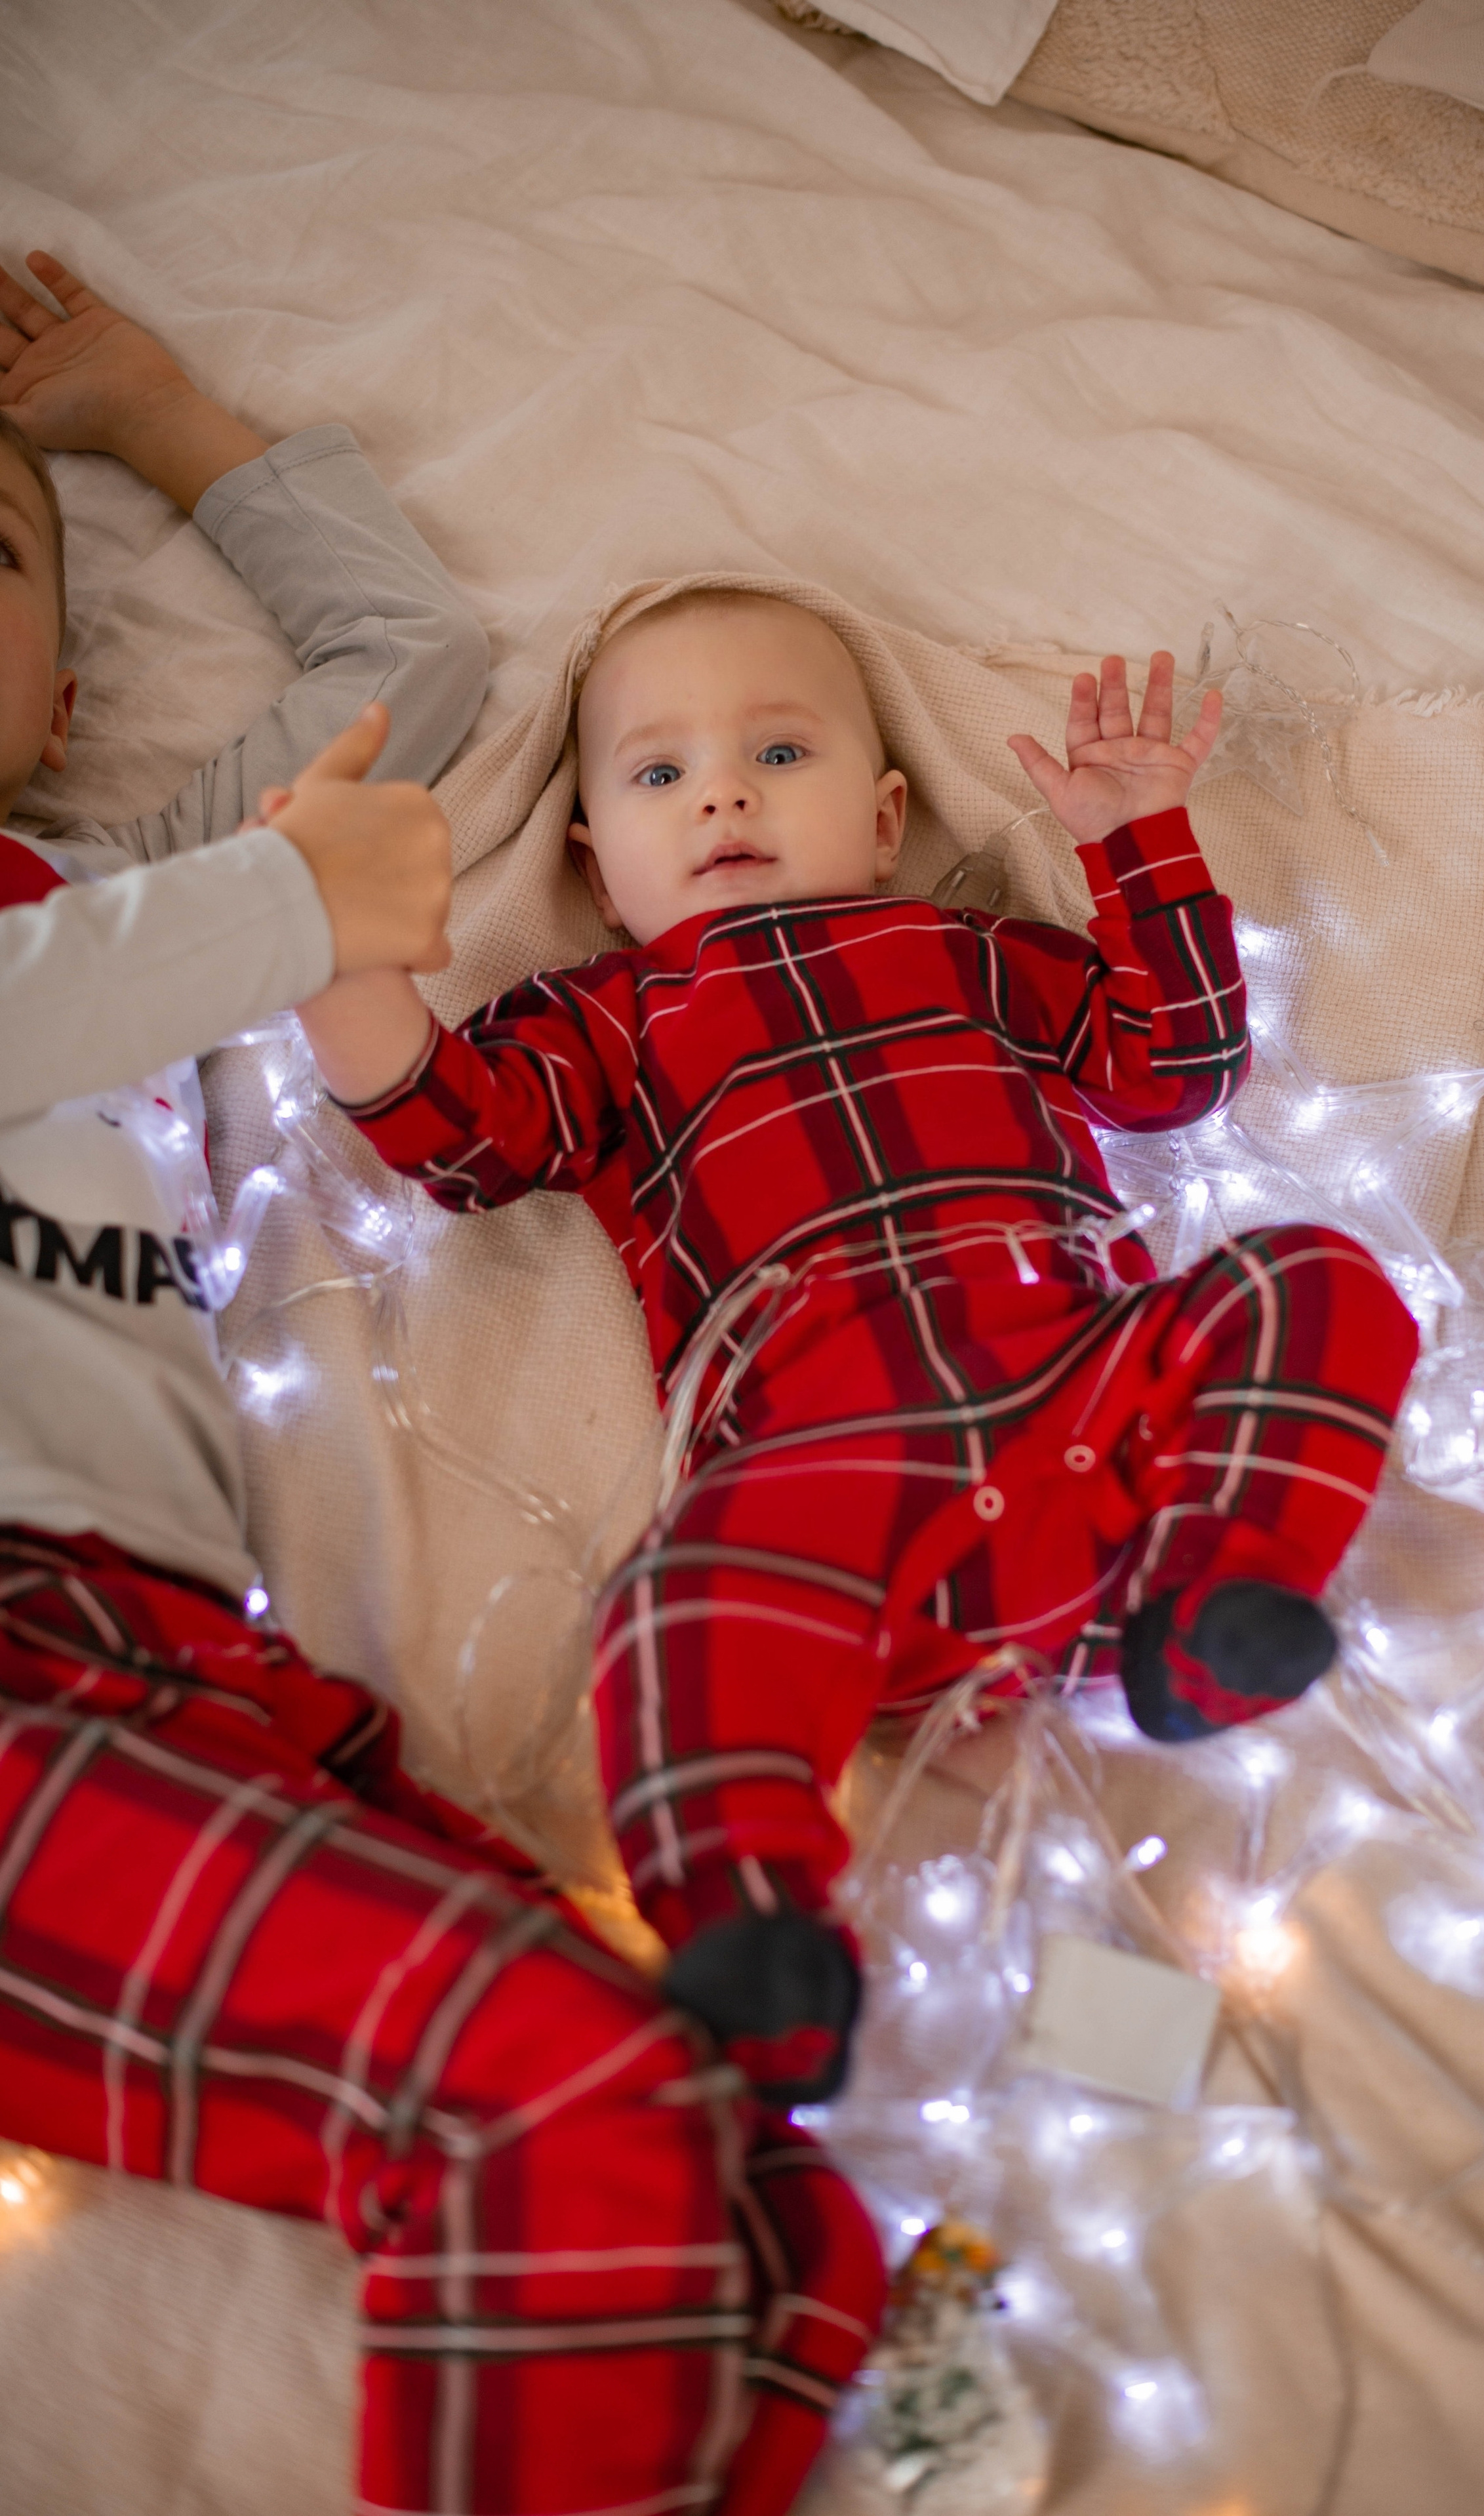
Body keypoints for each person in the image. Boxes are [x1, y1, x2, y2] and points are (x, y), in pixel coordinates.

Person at [0, 258, 883, 2516]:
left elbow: (407, 679)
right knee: (555, 2100)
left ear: (58, 688)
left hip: (152, 1653)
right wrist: (275, 913)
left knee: (756, 2193)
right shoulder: (179, 921)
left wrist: (160, 417)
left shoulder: (109, 872)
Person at [294, 584, 1423, 2107]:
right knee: (671, 1607)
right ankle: (756, 1936)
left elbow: (1176, 1063)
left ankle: (1216, 1591)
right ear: (594, 867)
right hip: (824, 1486)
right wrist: (336, 960)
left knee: (1315, 1282)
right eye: (656, 774)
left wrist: (1133, 831)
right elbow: (460, 1138)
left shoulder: (967, 952)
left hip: (1084, 1402)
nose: (721, 794)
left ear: (884, 817)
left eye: (779, 751)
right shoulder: (614, 1015)